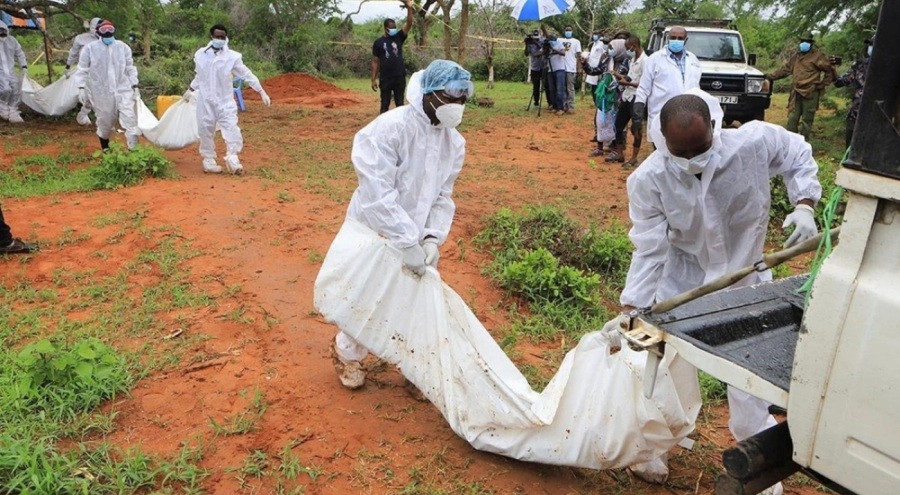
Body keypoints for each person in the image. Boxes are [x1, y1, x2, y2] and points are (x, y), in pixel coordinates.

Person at [618, 92, 821, 493]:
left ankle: (760, 466)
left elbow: (798, 153)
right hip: (683, 290)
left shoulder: (754, 143)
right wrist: (633, 305)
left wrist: (805, 203)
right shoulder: (649, 179)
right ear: (662, 140)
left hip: (747, 286)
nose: (692, 158)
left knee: (750, 384)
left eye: (700, 148)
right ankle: (652, 449)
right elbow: (650, 247)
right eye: (681, 152)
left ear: (715, 125)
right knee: (662, 375)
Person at [330, 59, 473, 389]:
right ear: (428, 93)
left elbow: (442, 196)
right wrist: (405, 239)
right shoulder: (387, 130)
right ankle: (346, 353)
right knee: (369, 293)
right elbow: (377, 191)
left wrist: (431, 239)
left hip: (417, 233)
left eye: (463, 99)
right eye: (450, 98)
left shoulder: (454, 143)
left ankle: (412, 363)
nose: (457, 107)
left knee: (412, 298)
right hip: (375, 229)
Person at [182, 24, 272, 175]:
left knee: (231, 128)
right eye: (217, 37)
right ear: (211, 37)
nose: (219, 40)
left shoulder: (232, 57)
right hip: (205, 100)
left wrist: (261, 90)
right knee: (205, 129)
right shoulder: (201, 55)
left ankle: (233, 159)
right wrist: (190, 89)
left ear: (226, 37)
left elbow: (246, 74)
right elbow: (200, 75)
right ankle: (208, 161)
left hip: (225, 100)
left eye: (222, 37)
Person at [74, 20, 140, 151]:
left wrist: (135, 85)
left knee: (130, 119)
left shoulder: (123, 47)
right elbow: (82, 70)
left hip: (123, 90)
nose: (108, 33)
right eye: (104, 30)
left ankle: (134, 152)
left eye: (110, 29)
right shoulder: (90, 49)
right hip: (101, 93)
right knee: (105, 122)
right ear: (98, 32)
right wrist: (81, 87)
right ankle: (106, 150)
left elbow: (130, 68)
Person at [632, 26, 702, 147]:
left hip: (688, 119)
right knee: (662, 156)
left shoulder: (693, 60)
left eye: (680, 38)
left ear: (686, 40)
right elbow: (643, 89)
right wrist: (637, 117)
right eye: (673, 37)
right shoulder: (655, 59)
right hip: (662, 117)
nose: (676, 40)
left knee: (683, 157)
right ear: (667, 38)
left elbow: (697, 87)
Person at [765, 32, 835, 140]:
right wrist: (770, 76)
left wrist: (822, 84)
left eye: (806, 42)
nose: (804, 43)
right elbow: (785, 70)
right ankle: (790, 143)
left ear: (811, 43)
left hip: (810, 92)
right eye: (802, 41)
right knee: (792, 118)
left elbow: (829, 71)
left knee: (807, 120)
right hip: (796, 92)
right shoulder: (796, 56)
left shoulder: (818, 56)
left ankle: (803, 143)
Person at [584, 39, 629, 158]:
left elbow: (627, 79)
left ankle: (615, 149)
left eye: (612, 47)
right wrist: (584, 64)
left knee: (615, 124)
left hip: (617, 97)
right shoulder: (607, 59)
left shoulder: (627, 62)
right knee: (600, 121)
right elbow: (594, 71)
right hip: (604, 96)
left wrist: (616, 77)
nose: (610, 50)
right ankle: (599, 147)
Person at [371, 0, 414, 114]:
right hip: (385, 78)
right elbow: (375, 61)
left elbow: (409, 23)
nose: (394, 29)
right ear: (385, 28)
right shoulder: (378, 42)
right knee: (384, 104)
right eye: (391, 27)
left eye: (394, 27)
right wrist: (373, 78)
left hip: (399, 77)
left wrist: (409, 8)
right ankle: (383, 127)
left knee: (400, 104)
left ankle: (401, 127)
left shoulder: (399, 37)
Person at [612, 35, 647, 168]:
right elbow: (630, 78)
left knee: (636, 128)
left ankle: (634, 158)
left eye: (628, 48)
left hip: (637, 98)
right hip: (627, 96)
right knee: (618, 125)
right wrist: (619, 76)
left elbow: (645, 83)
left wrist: (629, 83)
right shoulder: (632, 59)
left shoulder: (645, 61)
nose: (627, 50)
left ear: (634, 46)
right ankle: (620, 154)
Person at [833, 37, 872, 148]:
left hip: (878, 113)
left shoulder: (889, 67)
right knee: (851, 141)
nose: (871, 47)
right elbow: (840, 82)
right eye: (870, 45)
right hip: (856, 111)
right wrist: (832, 70)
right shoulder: (860, 65)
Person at [66, 17, 102, 126]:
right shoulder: (81, 39)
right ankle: (97, 119)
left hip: (99, 72)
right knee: (90, 95)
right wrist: (68, 66)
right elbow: (73, 53)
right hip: (85, 71)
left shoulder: (103, 39)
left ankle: (83, 114)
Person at [0, 21, 28, 123]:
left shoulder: (12, 41)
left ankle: (12, 110)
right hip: (0, 73)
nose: (2, 33)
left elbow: (20, 53)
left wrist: (24, 66)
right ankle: (2, 107)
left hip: (11, 72)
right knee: (5, 90)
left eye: (3, 31)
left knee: (17, 89)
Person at [524, 30, 550, 109]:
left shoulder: (542, 41)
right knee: (536, 85)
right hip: (534, 67)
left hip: (544, 66)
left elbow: (544, 49)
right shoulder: (530, 43)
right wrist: (527, 44)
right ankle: (536, 101)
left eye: (537, 38)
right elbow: (526, 54)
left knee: (546, 85)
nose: (536, 39)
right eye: (534, 38)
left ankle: (550, 102)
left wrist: (536, 43)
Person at [559, 25, 582, 115]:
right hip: (561, 67)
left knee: (570, 88)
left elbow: (579, 55)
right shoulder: (561, 41)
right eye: (566, 30)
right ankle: (564, 106)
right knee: (563, 88)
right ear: (564, 31)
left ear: (572, 31)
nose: (568, 31)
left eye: (569, 30)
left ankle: (571, 107)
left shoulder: (576, 42)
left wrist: (579, 68)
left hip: (571, 68)